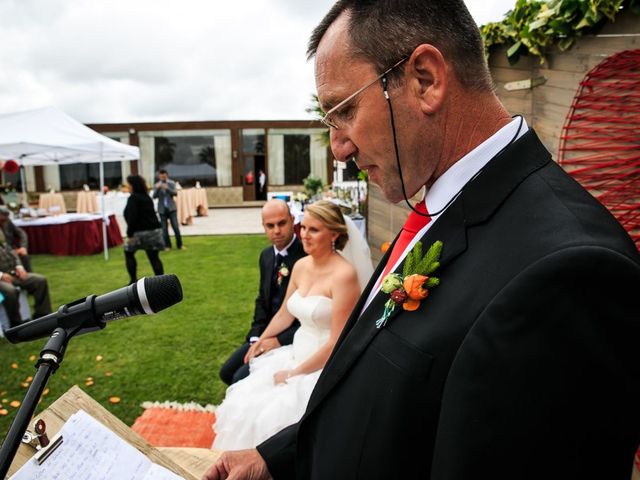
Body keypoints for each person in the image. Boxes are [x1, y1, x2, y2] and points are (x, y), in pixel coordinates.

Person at [203, 1, 640, 479]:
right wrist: (274, 458)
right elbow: (385, 399)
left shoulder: (570, 272)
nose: (339, 147)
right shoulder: (440, 206)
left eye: (345, 110)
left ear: (425, 79)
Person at [212, 200, 372, 451]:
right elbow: (284, 315)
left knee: (271, 421)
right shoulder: (300, 266)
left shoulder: (344, 275)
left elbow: (336, 342)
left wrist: (294, 374)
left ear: (334, 234)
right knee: (245, 406)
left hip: (319, 365)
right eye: (303, 228)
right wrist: (260, 340)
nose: (304, 236)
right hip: (294, 353)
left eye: (314, 230)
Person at [219, 199, 306, 386]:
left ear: (292, 220)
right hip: (265, 332)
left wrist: (277, 340)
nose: (276, 231)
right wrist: (255, 336)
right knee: (226, 373)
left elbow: (305, 316)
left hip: (291, 338)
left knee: (238, 379)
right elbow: (262, 300)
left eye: (282, 223)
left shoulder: (306, 257)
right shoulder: (266, 256)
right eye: (270, 225)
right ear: (263, 226)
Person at [0, 229, 51, 328]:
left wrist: (20, 267)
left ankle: (42, 315)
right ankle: (16, 325)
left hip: (13, 273)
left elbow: (12, 252)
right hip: (1, 278)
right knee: (10, 291)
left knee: (40, 280)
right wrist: (1, 275)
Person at [123, 175, 164, 285]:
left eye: (128, 184)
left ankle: (133, 280)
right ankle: (161, 282)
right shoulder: (146, 197)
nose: (127, 187)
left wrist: (129, 234)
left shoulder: (133, 198)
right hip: (155, 231)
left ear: (133, 185)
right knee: (154, 257)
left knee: (128, 252)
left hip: (141, 232)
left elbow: (132, 217)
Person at [153, 169, 183, 250]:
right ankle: (167, 245)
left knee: (176, 227)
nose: (163, 177)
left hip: (171, 208)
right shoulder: (156, 185)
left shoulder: (171, 183)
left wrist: (167, 188)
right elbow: (154, 196)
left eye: (164, 176)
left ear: (167, 175)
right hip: (162, 209)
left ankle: (180, 245)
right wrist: (158, 188)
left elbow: (175, 193)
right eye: (161, 176)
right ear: (159, 176)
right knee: (164, 229)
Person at [0, 206, 32, 272]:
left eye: (7, 216)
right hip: (3, 252)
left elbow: (22, 233)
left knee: (24, 255)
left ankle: (28, 275)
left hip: (11, 249)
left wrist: (23, 247)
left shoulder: (8, 222)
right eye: (3, 217)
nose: (5, 220)